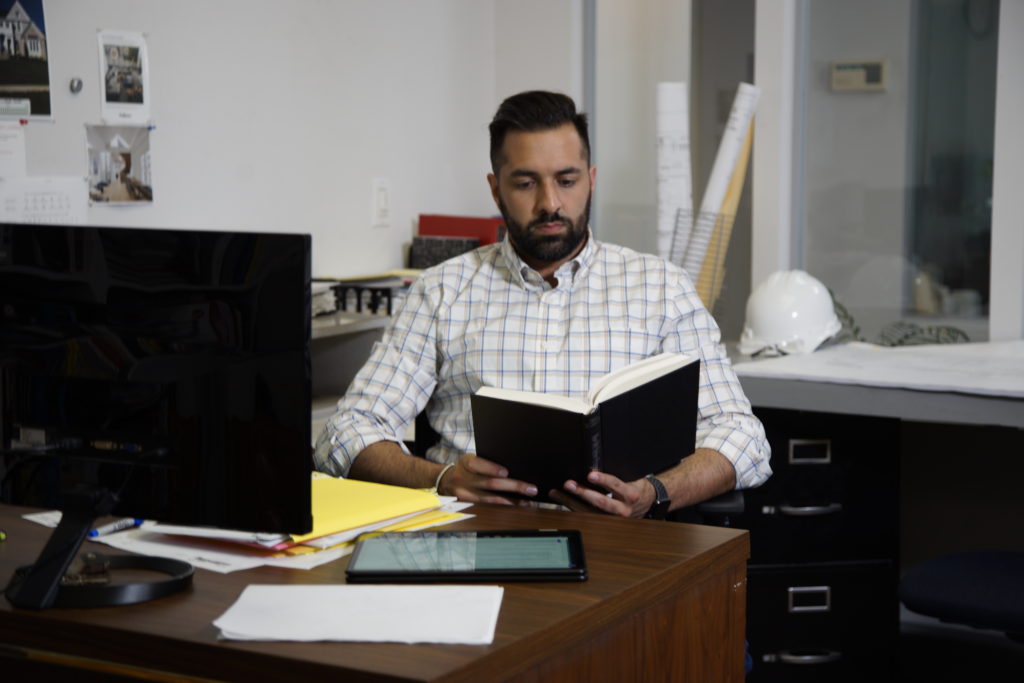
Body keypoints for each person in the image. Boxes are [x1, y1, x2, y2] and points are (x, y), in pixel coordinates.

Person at [314, 90, 771, 518]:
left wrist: (655, 492)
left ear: (591, 181)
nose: (550, 203)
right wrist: (443, 479)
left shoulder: (661, 289)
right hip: (473, 536)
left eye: (566, 180)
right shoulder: (441, 291)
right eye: (526, 183)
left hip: (625, 541)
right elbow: (346, 432)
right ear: (496, 190)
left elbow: (743, 437)